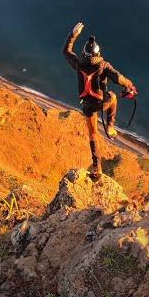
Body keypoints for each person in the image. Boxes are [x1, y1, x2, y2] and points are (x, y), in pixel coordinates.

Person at [62, 22, 137, 181]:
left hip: (87, 106)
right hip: (102, 102)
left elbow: (66, 51)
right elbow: (118, 78)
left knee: (93, 134)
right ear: (98, 53)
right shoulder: (103, 65)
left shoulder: (78, 64)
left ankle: (97, 167)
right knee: (114, 97)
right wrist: (130, 86)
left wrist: (73, 34)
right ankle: (110, 127)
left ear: (83, 53)